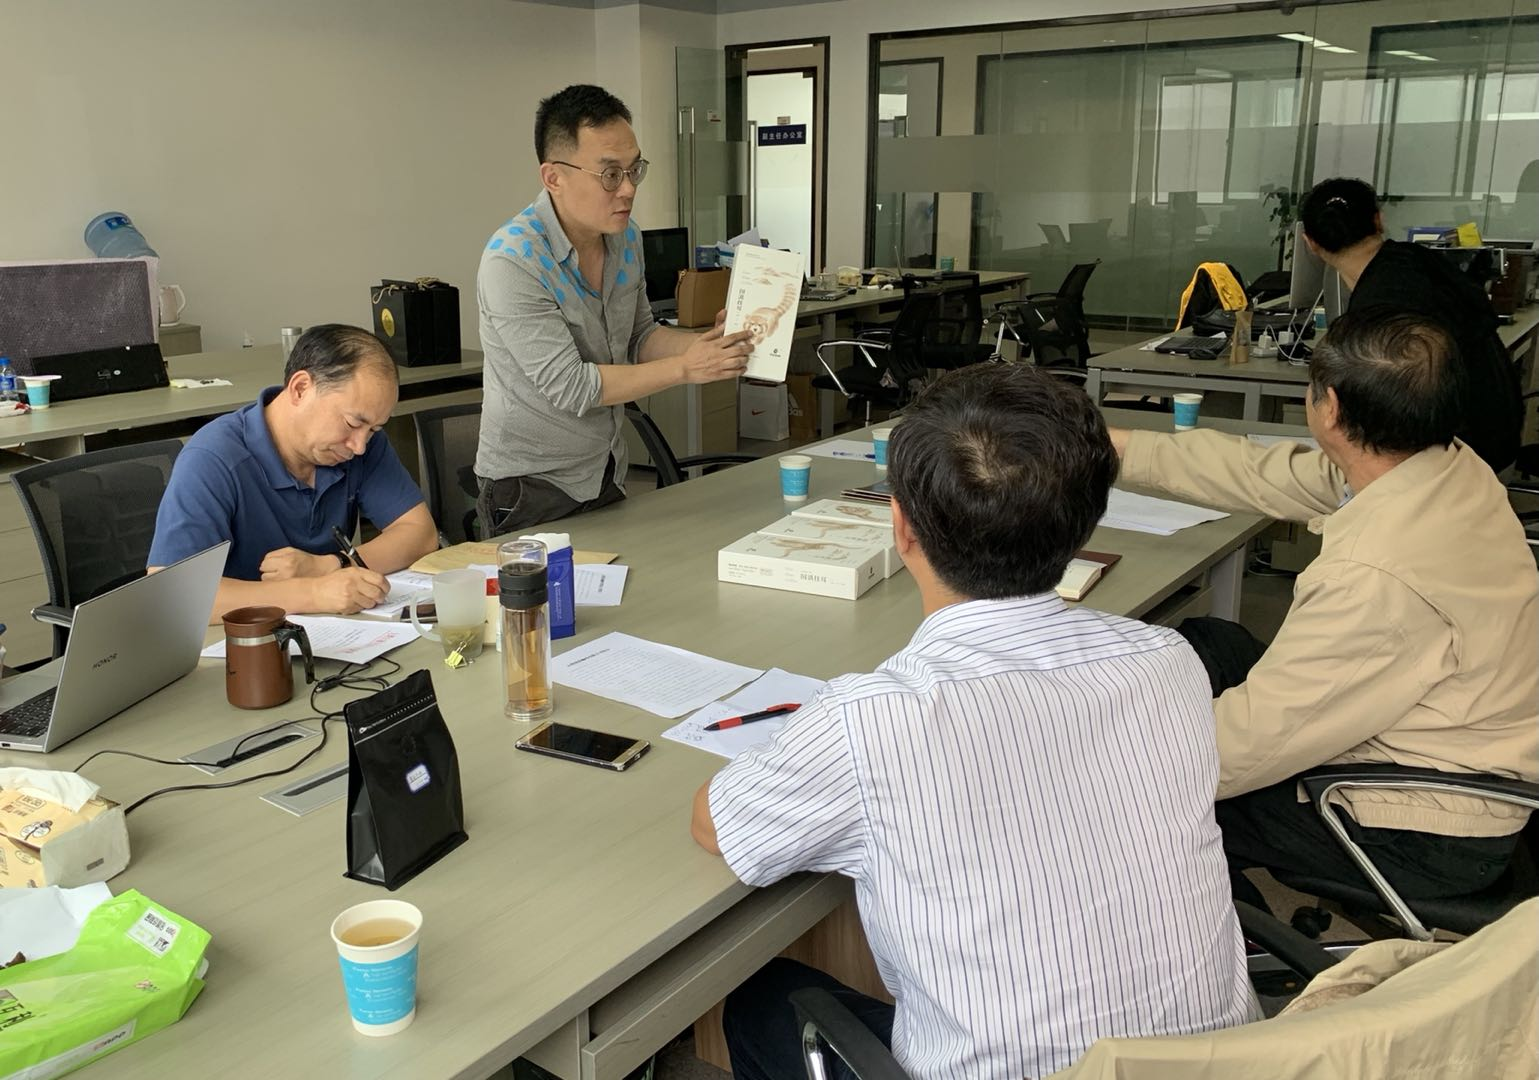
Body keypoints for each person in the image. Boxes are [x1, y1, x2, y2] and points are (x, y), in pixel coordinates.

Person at [693, 364, 1257, 1080]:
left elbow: (718, 826)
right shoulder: (1167, 659)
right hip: (1220, 1063)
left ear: (900, 526)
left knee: (757, 1000)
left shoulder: (873, 718)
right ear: (1087, 523)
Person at [1109, 308, 1539, 912]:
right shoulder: (1442, 467)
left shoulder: (1375, 575)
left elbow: (1246, 747)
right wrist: (1108, 447)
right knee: (1205, 644)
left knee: (1140, 800)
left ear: (1329, 408)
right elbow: (1262, 472)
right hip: (1441, 740)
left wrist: (1095, 758)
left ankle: (1214, 944)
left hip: (1421, 828)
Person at [474, 84, 753, 536]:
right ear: (553, 177)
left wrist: (706, 346)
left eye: (634, 170)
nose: (627, 189)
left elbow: (640, 335)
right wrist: (686, 368)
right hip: (530, 486)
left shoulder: (626, 239)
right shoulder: (514, 261)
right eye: (609, 174)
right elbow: (572, 387)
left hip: (605, 469)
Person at [148, 324, 438, 620]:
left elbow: (421, 533)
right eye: (352, 423)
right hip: (240, 638)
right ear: (300, 389)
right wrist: (314, 593)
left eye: (373, 429)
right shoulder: (213, 458)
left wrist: (331, 565)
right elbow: (174, 596)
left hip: (336, 631)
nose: (360, 446)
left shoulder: (357, 444)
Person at [1298, 175, 1522, 471]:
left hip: (1457, 458)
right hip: (1498, 433)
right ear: (1378, 220)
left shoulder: (1379, 312)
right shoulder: (1418, 262)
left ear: (1310, 243)